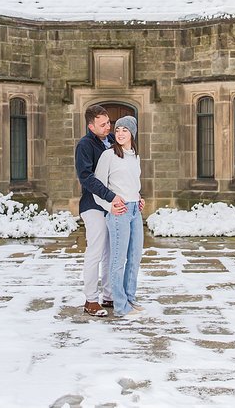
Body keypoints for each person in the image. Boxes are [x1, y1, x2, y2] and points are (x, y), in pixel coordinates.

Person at [76, 104, 127, 317]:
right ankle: (90, 300)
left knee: (111, 252)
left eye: (109, 123)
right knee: (95, 252)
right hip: (93, 206)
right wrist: (110, 196)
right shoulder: (85, 145)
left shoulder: (113, 143)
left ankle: (109, 295)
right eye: (103, 124)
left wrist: (135, 197)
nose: (108, 127)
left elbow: (123, 173)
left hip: (112, 206)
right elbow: (86, 177)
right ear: (91, 125)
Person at [94, 115, 145, 318]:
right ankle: (120, 305)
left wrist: (139, 197)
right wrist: (109, 206)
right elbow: (97, 187)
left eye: (124, 129)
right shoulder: (108, 155)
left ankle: (130, 298)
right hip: (119, 211)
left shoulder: (135, 156)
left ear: (132, 132)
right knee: (118, 260)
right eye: (118, 130)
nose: (120, 133)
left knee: (135, 258)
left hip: (135, 210)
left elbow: (132, 183)